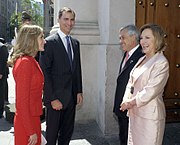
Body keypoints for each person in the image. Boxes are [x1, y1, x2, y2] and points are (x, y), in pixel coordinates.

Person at [39, 7, 83, 145]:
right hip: (55, 100)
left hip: (71, 99)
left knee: (67, 134)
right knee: (51, 137)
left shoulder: (75, 43)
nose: (69, 23)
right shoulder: (49, 42)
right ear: (58, 20)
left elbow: (76, 69)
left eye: (72, 20)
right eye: (66, 19)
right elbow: (44, 73)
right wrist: (52, 99)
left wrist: (79, 91)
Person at [120, 23, 169, 145]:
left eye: (148, 38)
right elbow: (130, 82)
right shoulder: (142, 58)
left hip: (149, 118)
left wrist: (129, 103)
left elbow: (150, 91)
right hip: (135, 114)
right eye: (141, 38)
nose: (143, 41)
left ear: (157, 40)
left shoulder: (161, 63)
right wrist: (125, 99)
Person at [8, 25, 46, 145]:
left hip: (32, 118)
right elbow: (21, 102)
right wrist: (31, 131)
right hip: (27, 122)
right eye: (41, 37)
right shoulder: (25, 63)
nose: (44, 41)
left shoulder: (30, 60)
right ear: (31, 40)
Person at [113, 25, 144, 145]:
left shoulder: (141, 56)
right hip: (123, 106)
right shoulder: (128, 54)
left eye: (123, 38)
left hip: (132, 108)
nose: (120, 41)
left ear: (133, 37)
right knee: (123, 136)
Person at [0, 38, 9, 118]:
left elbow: (3, 61)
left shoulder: (2, 47)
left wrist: (1, 73)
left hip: (1, 74)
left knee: (1, 92)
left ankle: (0, 112)